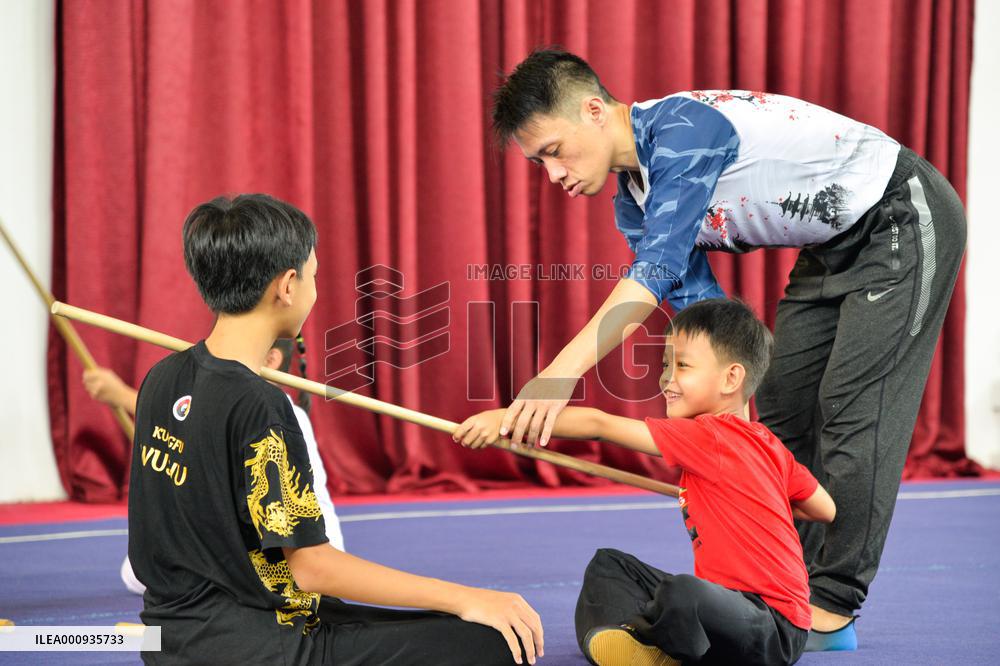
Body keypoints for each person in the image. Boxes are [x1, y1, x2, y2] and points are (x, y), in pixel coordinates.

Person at [490, 48, 966, 648]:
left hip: (899, 214)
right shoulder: (631, 203)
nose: (553, 175)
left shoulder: (683, 129)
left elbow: (655, 271)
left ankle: (833, 603)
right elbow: (703, 318)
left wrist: (557, 375)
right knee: (782, 409)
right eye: (538, 164)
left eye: (553, 152)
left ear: (592, 110)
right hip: (827, 250)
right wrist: (717, 444)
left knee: (852, 411)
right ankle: (782, 584)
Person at [124, 193, 542, 665]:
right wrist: (466, 596)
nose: (315, 290)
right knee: (493, 642)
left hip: (170, 643)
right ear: (287, 285)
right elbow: (311, 568)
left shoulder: (160, 378)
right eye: (314, 276)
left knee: (434, 625)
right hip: (260, 648)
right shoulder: (261, 406)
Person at [455, 298, 835, 665]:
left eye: (682, 366)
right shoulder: (769, 445)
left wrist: (505, 420)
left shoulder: (711, 434)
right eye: (665, 365)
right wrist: (760, 499)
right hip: (739, 612)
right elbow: (825, 509)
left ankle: (658, 646)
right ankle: (632, 645)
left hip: (771, 627)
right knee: (609, 566)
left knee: (682, 593)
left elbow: (600, 425)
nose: (666, 379)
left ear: (731, 378)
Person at [84, 337, 346, 596]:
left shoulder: (274, 412)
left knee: (152, 572)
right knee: (135, 569)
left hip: (301, 551)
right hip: (254, 546)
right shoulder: (231, 402)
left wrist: (119, 394)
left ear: (271, 359)